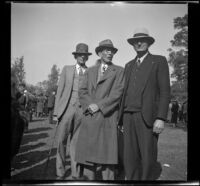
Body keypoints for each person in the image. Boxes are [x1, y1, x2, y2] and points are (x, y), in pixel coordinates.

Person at [118, 28, 170, 180]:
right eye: (135, 41)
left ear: (148, 43)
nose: (139, 43)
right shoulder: (128, 65)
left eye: (142, 40)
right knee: (129, 156)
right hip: (128, 116)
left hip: (146, 117)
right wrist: (121, 118)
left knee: (148, 156)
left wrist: (160, 117)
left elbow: (165, 91)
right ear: (133, 45)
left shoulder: (159, 61)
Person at [75, 39, 124, 180]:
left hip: (107, 118)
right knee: (88, 158)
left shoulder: (119, 71)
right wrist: (89, 105)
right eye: (107, 50)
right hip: (90, 117)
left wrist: (100, 106)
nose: (110, 53)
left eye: (112, 51)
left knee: (107, 159)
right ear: (100, 53)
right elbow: (82, 91)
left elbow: (117, 93)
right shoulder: (90, 71)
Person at [53, 43, 92, 179]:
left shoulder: (90, 71)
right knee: (61, 141)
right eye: (80, 55)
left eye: (85, 55)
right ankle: (60, 171)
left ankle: (75, 173)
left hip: (82, 112)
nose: (82, 57)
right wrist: (56, 113)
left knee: (76, 143)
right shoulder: (67, 69)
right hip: (66, 109)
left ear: (87, 57)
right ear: (76, 56)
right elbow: (60, 91)